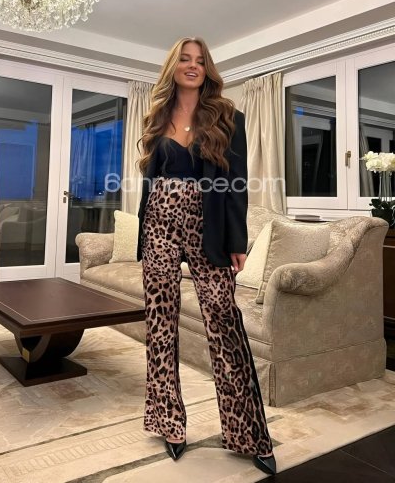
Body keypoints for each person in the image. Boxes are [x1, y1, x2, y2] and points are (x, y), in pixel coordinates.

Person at [136, 37, 276, 476]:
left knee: (222, 318)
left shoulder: (228, 117)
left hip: (208, 226)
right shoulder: (157, 116)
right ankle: (167, 422)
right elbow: (150, 180)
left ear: (207, 69)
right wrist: (143, 230)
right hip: (158, 223)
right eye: (185, 59)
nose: (193, 66)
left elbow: (236, 183)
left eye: (200, 60)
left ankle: (248, 432)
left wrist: (237, 239)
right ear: (173, 67)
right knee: (160, 321)